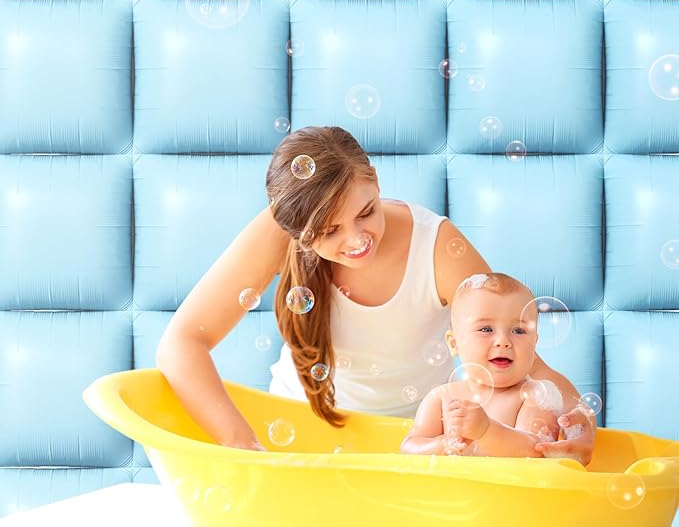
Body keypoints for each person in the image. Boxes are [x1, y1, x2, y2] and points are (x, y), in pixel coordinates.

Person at [155, 125, 595, 463]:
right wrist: (242, 444)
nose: (356, 240)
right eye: (329, 231)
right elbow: (181, 343)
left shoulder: (437, 247)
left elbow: (522, 359)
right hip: (299, 439)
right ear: (299, 233)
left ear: (376, 182)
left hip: (415, 450)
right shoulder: (284, 222)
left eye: (366, 212)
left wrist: (579, 417)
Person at [401, 272, 593, 461]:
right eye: (486, 329)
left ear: (534, 342)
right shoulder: (441, 398)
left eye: (519, 331)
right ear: (454, 344)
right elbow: (409, 447)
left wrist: (486, 431)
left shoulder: (536, 396)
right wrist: (443, 444)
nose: (503, 341)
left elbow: (537, 452)